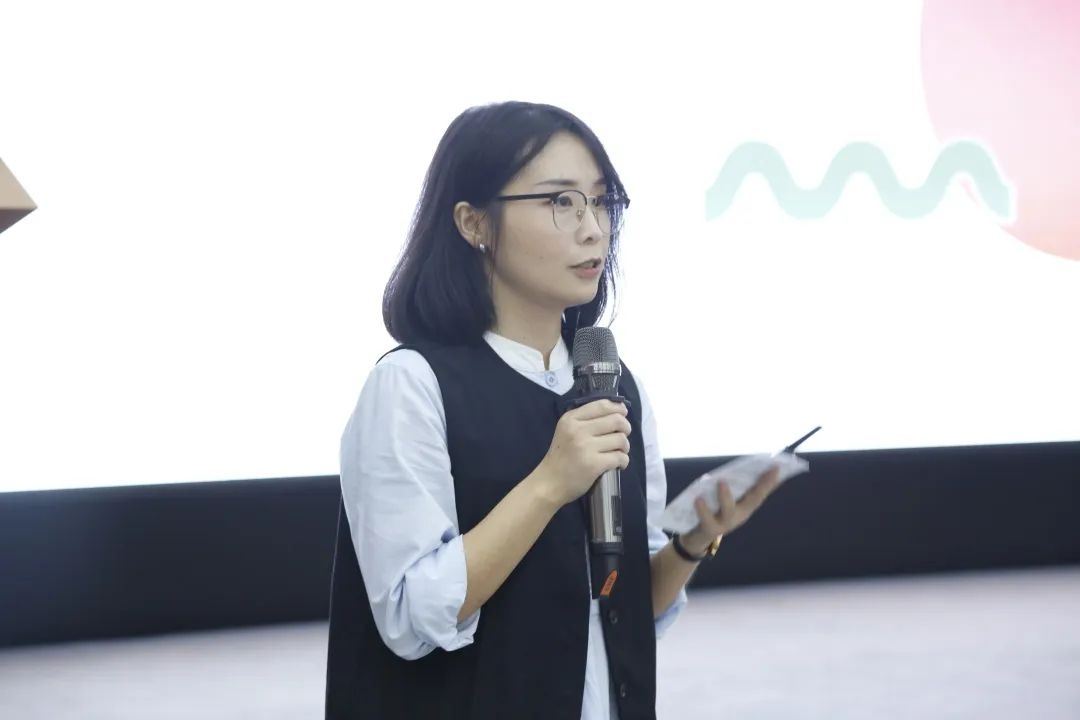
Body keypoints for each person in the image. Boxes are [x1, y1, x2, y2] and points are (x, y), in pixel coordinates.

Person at [325, 101, 781, 720]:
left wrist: (694, 542)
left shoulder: (616, 385)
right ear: (473, 222)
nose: (593, 229)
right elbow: (411, 616)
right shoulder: (411, 385)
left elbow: (621, 607)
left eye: (602, 201)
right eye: (561, 201)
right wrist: (549, 483)